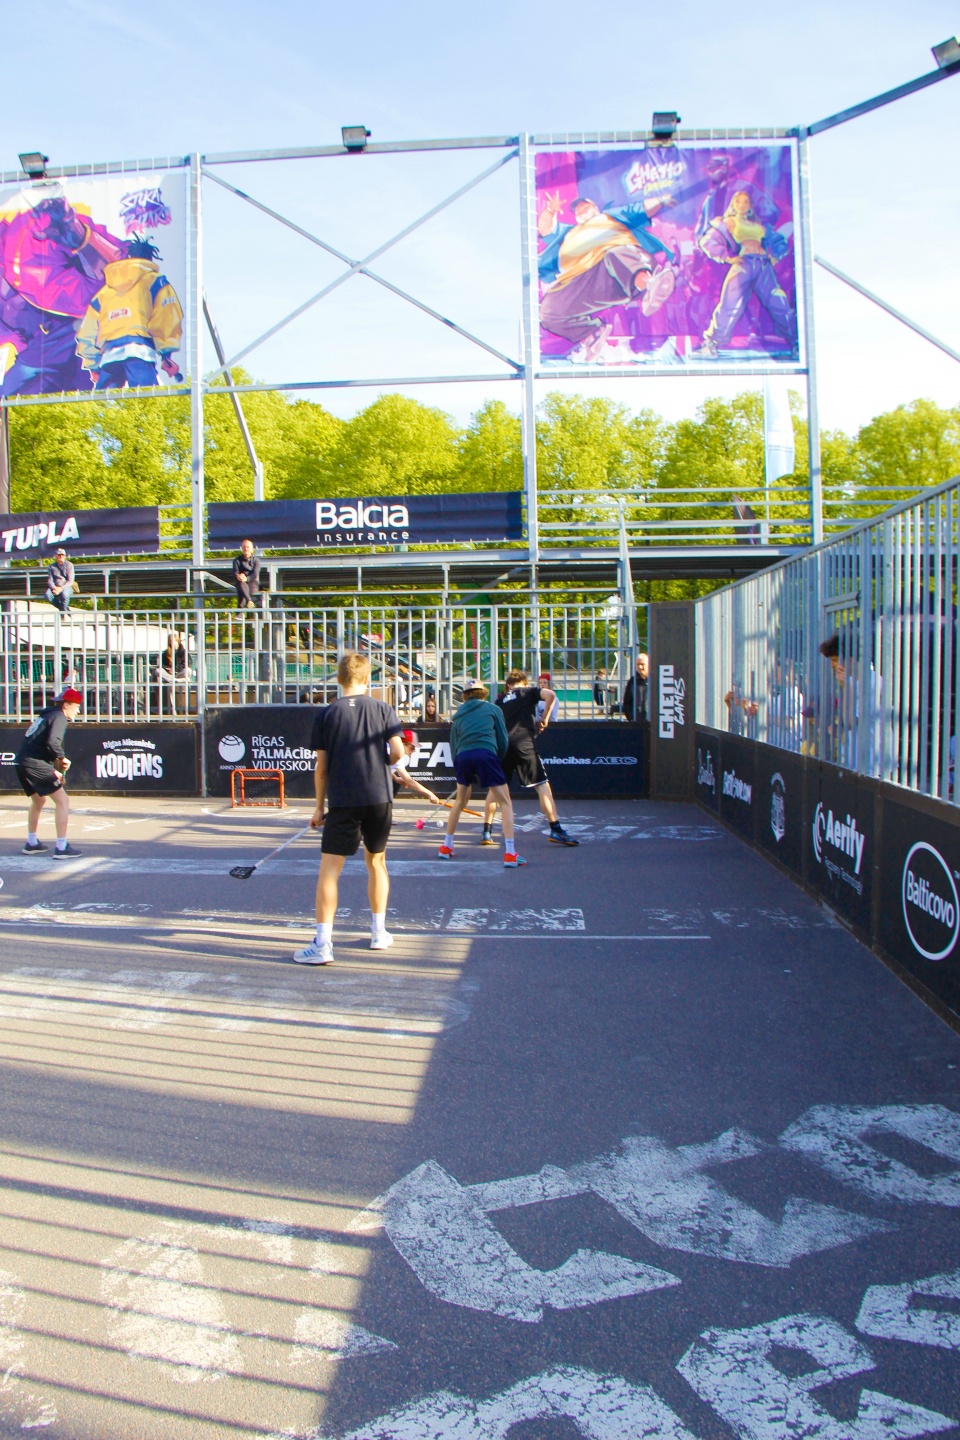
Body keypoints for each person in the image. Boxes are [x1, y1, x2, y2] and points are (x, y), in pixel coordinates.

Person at [295, 652, 404, 966]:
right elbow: (398, 752)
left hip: (344, 799)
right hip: (379, 796)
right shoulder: (383, 708)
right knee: (377, 863)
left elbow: (321, 769)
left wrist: (318, 808)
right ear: (367, 678)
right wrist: (383, 762)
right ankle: (379, 933)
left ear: (340, 679)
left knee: (330, 871)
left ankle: (322, 944)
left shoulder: (327, 714)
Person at [537, 192, 676, 363]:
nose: (581, 211)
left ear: (595, 208)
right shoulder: (568, 232)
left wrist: (661, 200)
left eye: (585, 207)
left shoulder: (609, 217)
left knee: (613, 253)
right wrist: (550, 210)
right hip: (585, 282)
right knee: (547, 311)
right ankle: (591, 334)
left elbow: (639, 209)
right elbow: (546, 229)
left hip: (617, 271)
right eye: (578, 211)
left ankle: (647, 285)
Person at [482, 669, 579, 848]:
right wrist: (545, 718)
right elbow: (551, 695)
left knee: (495, 789)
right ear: (525, 683)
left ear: (508, 685)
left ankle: (486, 831)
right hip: (524, 742)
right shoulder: (528, 692)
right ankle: (556, 829)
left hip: (503, 746)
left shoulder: (499, 701)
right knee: (542, 786)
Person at [696, 191, 795, 359]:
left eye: (746, 202)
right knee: (730, 303)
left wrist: (775, 256)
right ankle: (711, 344)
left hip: (763, 266)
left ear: (750, 206)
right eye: (738, 201)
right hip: (743, 264)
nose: (742, 205)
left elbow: (779, 242)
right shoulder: (728, 222)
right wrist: (726, 257)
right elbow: (707, 241)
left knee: (778, 301)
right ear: (733, 204)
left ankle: (795, 342)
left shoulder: (759, 226)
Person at [76, 236, 183, 389]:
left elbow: (87, 331)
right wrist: (166, 355)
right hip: (139, 351)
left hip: (109, 356)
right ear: (150, 259)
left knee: (102, 402)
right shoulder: (155, 281)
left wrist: (93, 365)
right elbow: (167, 317)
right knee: (146, 400)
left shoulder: (105, 292)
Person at [441, 680, 524, 866]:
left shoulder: (458, 715)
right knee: (505, 802)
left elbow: (453, 745)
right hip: (486, 754)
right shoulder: (493, 709)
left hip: (463, 756)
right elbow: (502, 740)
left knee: (460, 801)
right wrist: (496, 758)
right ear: (483, 692)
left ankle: (446, 846)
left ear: (465, 695)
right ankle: (510, 852)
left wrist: (460, 767)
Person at [16, 688, 83, 857]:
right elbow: (52, 743)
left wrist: (56, 770)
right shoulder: (59, 717)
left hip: (22, 761)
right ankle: (61, 847)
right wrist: (63, 758)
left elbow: (43, 744)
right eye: (76, 707)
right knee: (63, 801)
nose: (78, 711)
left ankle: (32, 843)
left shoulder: (47, 715)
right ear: (66, 705)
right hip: (34, 763)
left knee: (38, 800)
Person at [391, 729, 443, 807]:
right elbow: (409, 781)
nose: (414, 750)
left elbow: (383, 769)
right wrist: (430, 794)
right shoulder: (397, 755)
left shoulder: (391, 750)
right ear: (404, 744)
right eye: (412, 747)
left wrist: (396, 778)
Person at [154, 631, 188, 715]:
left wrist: (176, 670)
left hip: (179, 674)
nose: (172, 642)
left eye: (174, 640)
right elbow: (161, 665)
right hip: (169, 676)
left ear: (178, 641)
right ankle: (173, 680)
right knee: (158, 671)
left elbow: (187, 664)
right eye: (170, 640)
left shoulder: (183, 652)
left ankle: (175, 680)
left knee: (188, 670)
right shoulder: (165, 653)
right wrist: (167, 669)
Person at [232, 539, 261, 609]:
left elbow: (255, 573)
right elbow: (235, 572)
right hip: (241, 582)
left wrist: (246, 579)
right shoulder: (237, 560)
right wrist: (239, 576)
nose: (246, 549)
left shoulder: (256, 560)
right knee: (241, 584)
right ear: (242, 548)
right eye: (244, 547)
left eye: (247, 547)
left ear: (252, 549)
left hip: (253, 584)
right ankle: (249, 601)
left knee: (241, 590)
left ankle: (241, 609)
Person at [45, 548, 75, 614]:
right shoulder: (51, 567)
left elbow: (70, 581)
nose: (61, 556)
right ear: (55, 556)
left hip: (66, 586)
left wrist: (61, 588)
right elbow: (50, 581)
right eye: (59, 555)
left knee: (65, 595)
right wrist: (54, 588)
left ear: (65, 556)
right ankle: (64, 609)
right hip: (55, 587)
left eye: (62, 555)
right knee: (47, 595)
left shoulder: (69, 565)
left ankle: (62, 612)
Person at [621, 653, 649, 722]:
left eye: (642, 664)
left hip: (653, 723)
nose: (640, 667)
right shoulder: (632, 681)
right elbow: (626, 702)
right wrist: (630, 718)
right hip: (636, 722)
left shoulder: (655, 680)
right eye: (638, 664)